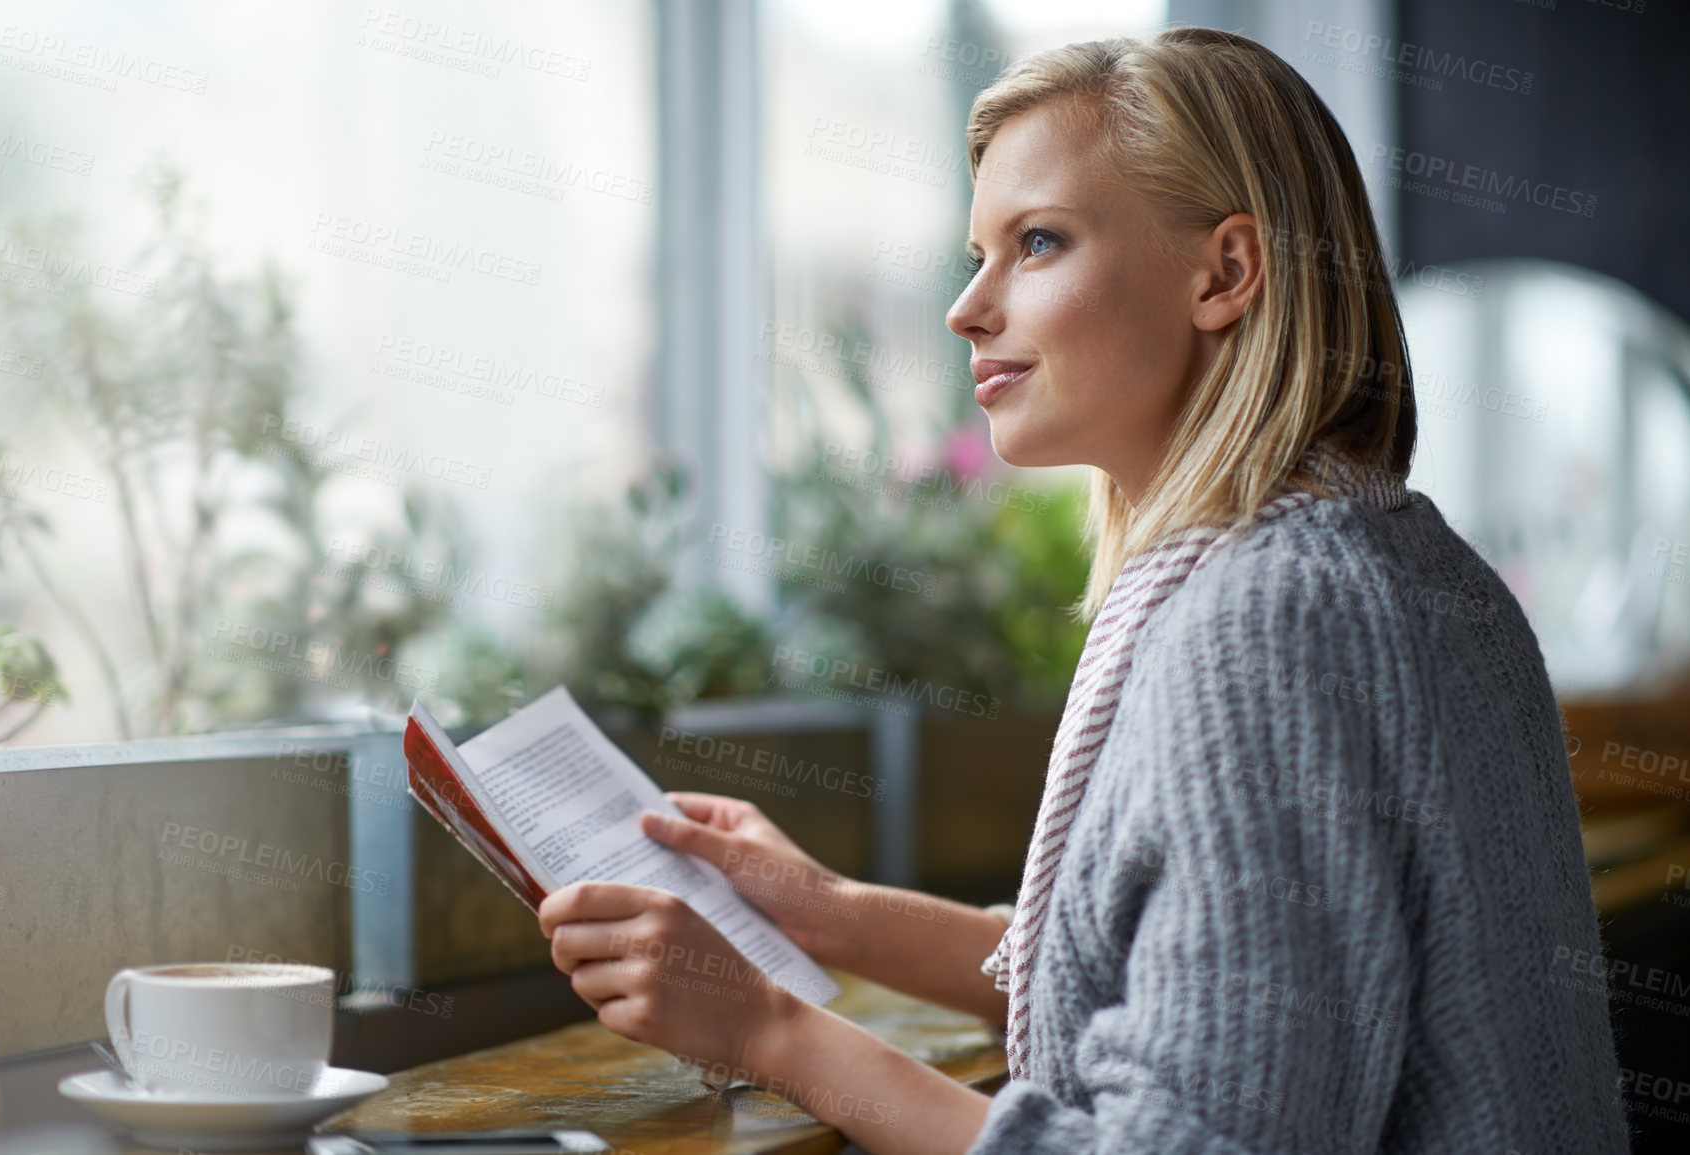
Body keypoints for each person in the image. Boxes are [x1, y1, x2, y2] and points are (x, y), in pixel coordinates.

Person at [536, 27, 1630, 1154]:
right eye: (979, 252)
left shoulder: (1271, 621)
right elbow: (1198, 980)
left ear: (1226, 273)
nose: (967, 308)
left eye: (1039, 243)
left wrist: (771, 1031)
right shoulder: (1396, 561)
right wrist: (831, 914)